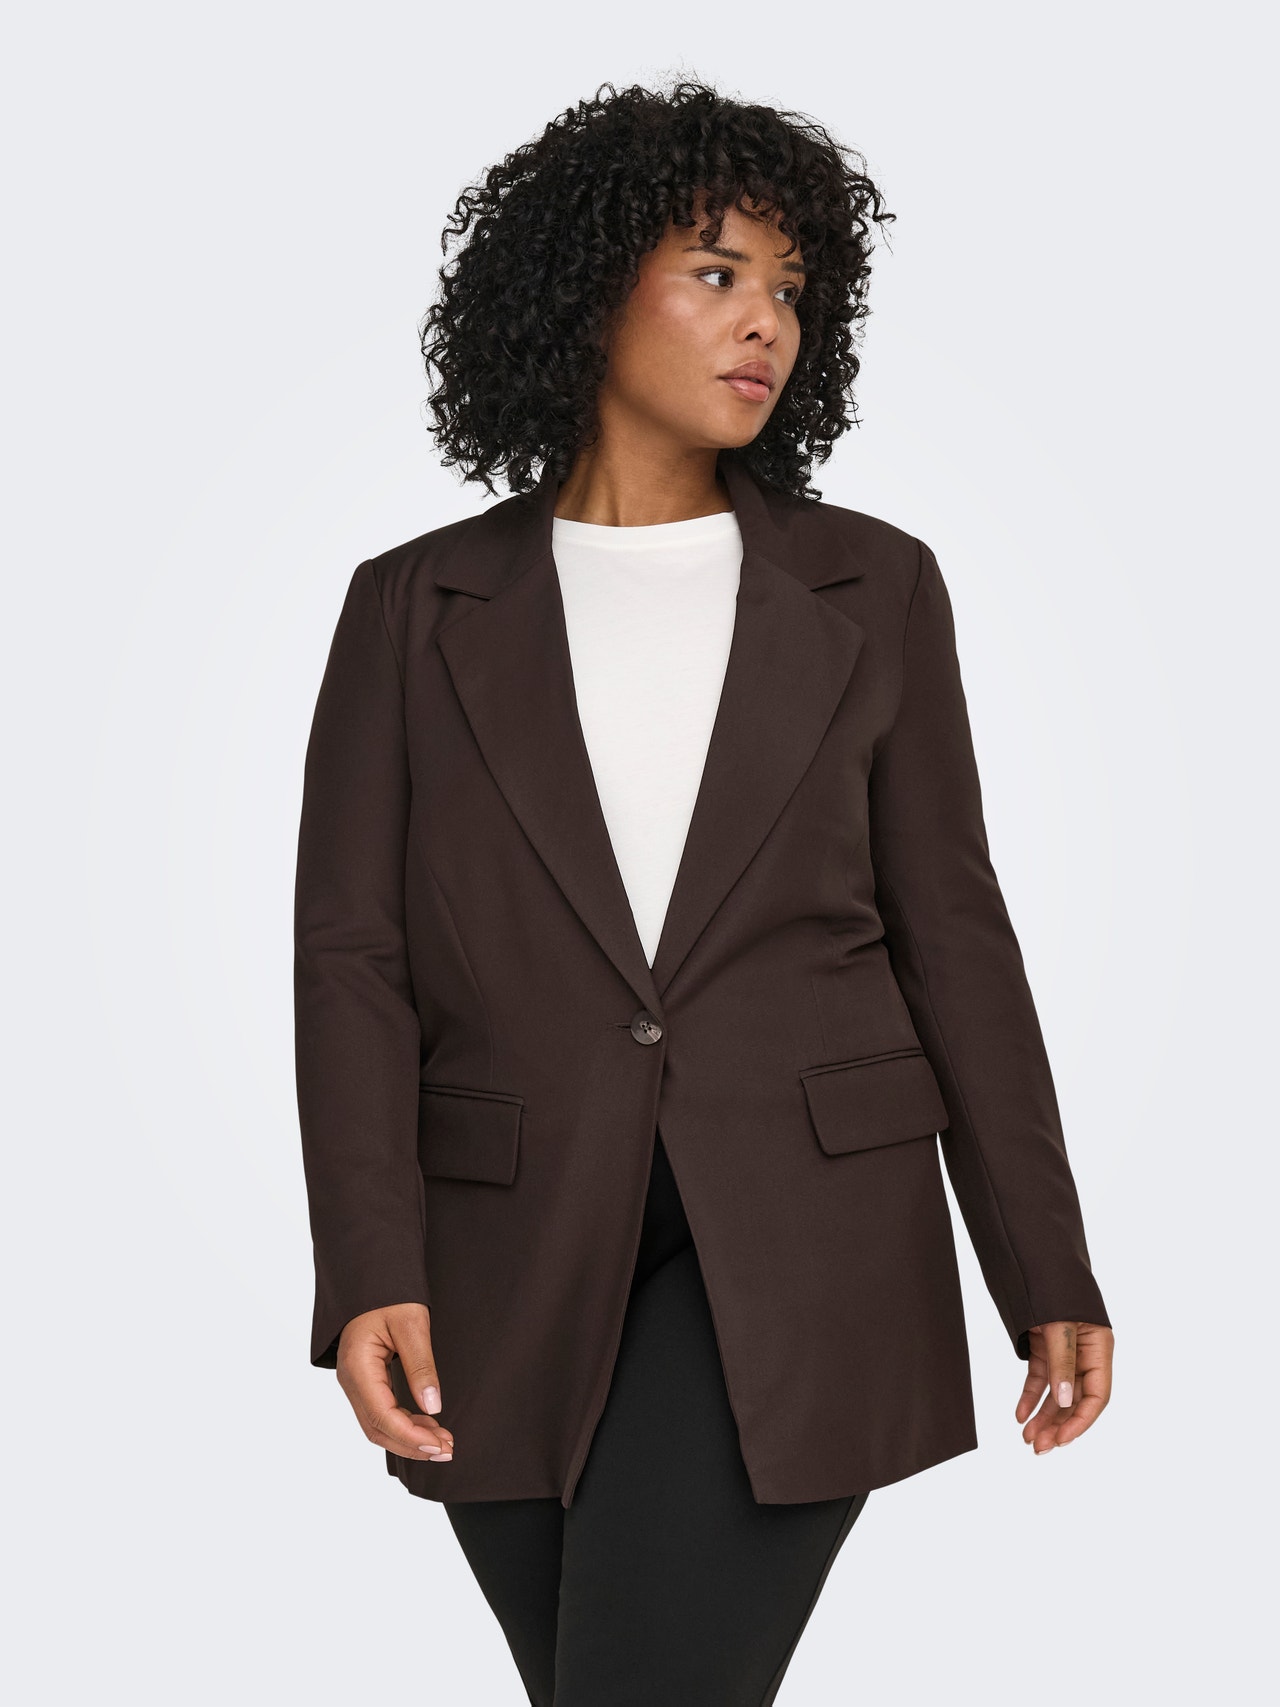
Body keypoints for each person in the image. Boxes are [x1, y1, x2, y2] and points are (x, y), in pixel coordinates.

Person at [293, 77, 1115, 1707]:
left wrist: (1044, 1263)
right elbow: (352, 958)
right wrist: (366, 1265)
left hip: (811, 1229)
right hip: (503, 1252)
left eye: (793, 291)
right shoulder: (414, 607)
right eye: (720, 272)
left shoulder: (872, 587)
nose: (767, 325)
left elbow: (952, 934)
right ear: (587, 291)